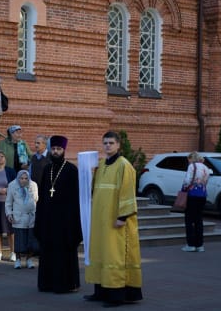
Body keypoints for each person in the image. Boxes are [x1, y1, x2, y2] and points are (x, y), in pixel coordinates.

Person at [84, 131, 143, 308]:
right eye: (105, 143)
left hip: (116, 221)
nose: (107, 146)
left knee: (114, 257)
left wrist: (122, 217)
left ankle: (116, 296)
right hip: (100, 220)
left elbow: (127, 192)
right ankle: (100, 291)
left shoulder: (124, 165)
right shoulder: (101, 165)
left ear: (118, 145)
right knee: (100, 253)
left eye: (111, 143)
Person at [34, 135, 82, 294]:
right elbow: (42, 193)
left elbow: (76, 198)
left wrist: (73, 222)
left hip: (64, 221)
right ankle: (47, 283)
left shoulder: (71, 169)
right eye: (53, 149)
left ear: (64, 150)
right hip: (48, 220)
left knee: (63, 253)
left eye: (58, 149)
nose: (55, 152)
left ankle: (66, 284)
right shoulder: (47, 168)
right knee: (48, 252)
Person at [5, 170, 39, 269]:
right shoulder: (12, 185)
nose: (23, 180)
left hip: (31, 217)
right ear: (18, 178)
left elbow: (36, 199)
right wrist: (9, 214)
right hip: (18, 216)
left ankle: (29, 259)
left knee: (30, 240)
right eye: (21, 178)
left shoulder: (33, 185)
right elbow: (8, 202)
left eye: (26, 178)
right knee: (19, 240)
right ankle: (18, 260)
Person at [181, 151, 210, 252]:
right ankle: (200, 245)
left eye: (189, 160)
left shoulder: (192, 166)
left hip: (192, 195)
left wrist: (184, 188)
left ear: (192, 159)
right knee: (199, 220)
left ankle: (191, 244)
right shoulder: (205, 168)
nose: (188, 162)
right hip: (202, 195)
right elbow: (206, 181)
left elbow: (187, 180)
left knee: (189, 220)